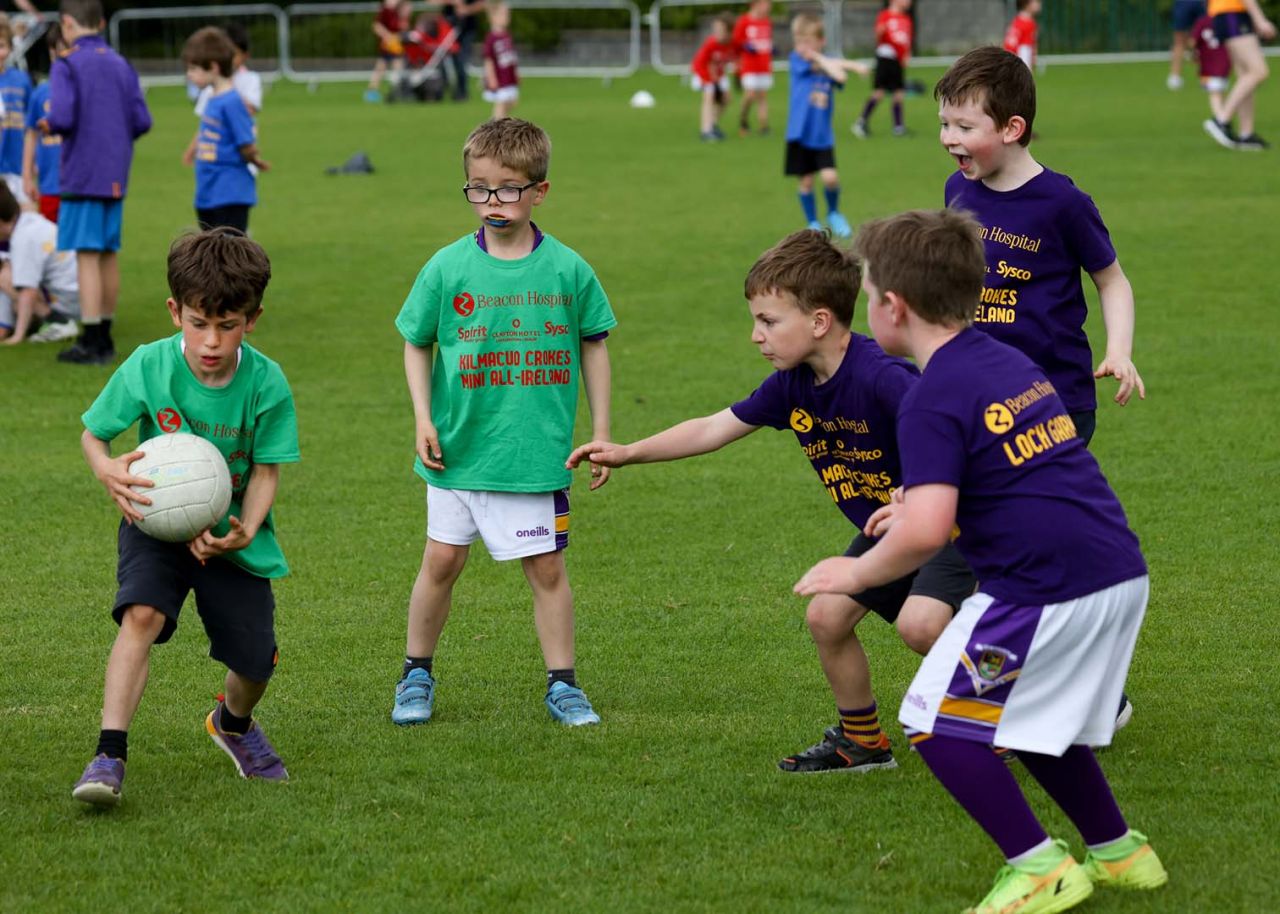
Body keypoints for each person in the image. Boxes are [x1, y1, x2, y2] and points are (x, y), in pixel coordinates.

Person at [795, 208, 1166, 914]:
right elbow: (1008, 468)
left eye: (870, 294)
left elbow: (932, 529)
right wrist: (914, 500)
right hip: (1113, 568)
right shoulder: (1002, 358)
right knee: (1029, 718)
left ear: (893, 308)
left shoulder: (930, 396)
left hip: (1046, 587)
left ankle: (1039, 870)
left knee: (937, 721)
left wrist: (858, 572)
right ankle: (1121, 852)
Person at [568, 229, 975, 774]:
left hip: (952, 524)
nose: (756, 335)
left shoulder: (884, 378)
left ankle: (1040, 695)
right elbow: (714, 427)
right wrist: (628, 452)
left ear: (819, 321)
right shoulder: (793, 383)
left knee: (921, 627)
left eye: (768, 321)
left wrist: (915, 494)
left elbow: (957, 439)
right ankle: (863, 743)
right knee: (828, 616)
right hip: (893, 529)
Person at [391, 117, 616, 728]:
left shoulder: (569, 269)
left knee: (546, 568)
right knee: (440, 562)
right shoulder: (446, 268)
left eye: (508, 188)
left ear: (539, 191)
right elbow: (417, 340)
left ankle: (563, 684)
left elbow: (594, 343)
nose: (493, 202)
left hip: (534, 453)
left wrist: (600, 431)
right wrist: (421, 418)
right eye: (480, 188)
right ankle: (415, 673)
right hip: (457, 450)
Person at [70, 228, 300, 807]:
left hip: (231, 535)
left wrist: (243, 527)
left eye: (229, 325)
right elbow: (94, 435)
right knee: (141, 615)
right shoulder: (148, 366)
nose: (212, 341)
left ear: (254, 318)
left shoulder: (267, 382)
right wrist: (105, 470)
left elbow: (268, 471)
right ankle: (109, 753)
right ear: (176, 312)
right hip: (154, 522)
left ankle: (233, 724)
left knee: (254, 661)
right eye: (200, 323)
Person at [937, 47, 1144, 450]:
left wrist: (1119, 351)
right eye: (944, 124)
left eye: (963, 127)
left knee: (1037, 509)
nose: (948, 139)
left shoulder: (1064, 203)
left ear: (1012, 128)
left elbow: (1112, 281)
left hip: (1054, 396)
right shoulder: (957, 189)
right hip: (980, 387)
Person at [43, 0, 152, 365]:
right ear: (102, 23)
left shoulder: (67, 64)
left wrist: (47, 126)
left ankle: (92, 340)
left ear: (67, 24)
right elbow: (141, 120)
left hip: (82, 172)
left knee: (86, 255)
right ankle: (104, 330)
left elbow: (60, 115)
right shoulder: (121, 63)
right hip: (116, 172)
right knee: (107, 253)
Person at [784, 13, 866, 238]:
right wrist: (831, 60)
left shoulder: (825, 68)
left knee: (830, 178)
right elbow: (831, 65)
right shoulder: (796, 61)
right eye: (800, 42)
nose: (803, 48)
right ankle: (812, 221)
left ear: (821, 42)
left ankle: (834, 212)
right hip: (800, 135)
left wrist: (845, 66)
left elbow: (840, 77)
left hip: (821, 136)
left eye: (808, 42)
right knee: (807, 182)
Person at [181, 27, 269, 234]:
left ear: (213, 67)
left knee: (230, 258)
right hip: (208, 192)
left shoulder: (232, 102)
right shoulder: (211, 98)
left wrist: (255, 160)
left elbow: (245, 141)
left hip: (229, 193)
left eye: (193, 69)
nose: (189, 75)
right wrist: (192, 151)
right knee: (209, 255)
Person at [0, 180, 77, 343]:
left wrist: (17, 337)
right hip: (77, 293)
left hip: (68, 302)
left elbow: (28, 290)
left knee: (5, 277)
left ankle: (59, 322)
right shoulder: (27, 221)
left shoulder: (23, 240)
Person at [1201, 0, 1275, 150]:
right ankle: (1221, 121)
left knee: (1246, 75)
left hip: (1229, 14)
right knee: (1258, 71)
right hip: (1231, 13)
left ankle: (1246, 134)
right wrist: (1259, 20)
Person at [22, 22, 66, 224]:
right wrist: (27, 176)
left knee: (79, 250)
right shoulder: (40, 92)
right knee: (50, 245)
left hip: (79, 187)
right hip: (49, 185)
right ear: (51, 53)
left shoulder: (86, 92)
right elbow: (31, 134)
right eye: (59, 51)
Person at [852, 0, 912, 139]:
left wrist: (906, 54)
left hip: (897, 60)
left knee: (899, 93)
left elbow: (907, 39)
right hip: (886, 58)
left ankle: (898, 127)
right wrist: (881, 33)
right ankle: (860, 122)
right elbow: (879, 34)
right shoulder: (885, 15)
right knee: (879, 92)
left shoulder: (906, 18)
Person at [0, 13, 34, 202]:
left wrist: (34, 161)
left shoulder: (22, 80)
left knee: (22, 219)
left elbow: (33, 124)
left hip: (18, 165)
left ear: (10, 47)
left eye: (2, 46)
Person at [690, 14, 734, 141]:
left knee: (726, 99)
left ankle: (712, 124)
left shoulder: (731, 43)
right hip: (702, 72)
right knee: (708, 96)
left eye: (721, 30)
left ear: (729, 31)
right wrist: (709, 81)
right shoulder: (710, 44)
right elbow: (700, 63)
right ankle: (705, 131)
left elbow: (730, 58)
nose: (717, 33)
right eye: (716, 30)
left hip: (718, 75)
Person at [732, 0, 773, 136]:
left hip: (764, 65)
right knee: (750, 95)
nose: (768, 7)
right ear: (755, 4)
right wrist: (745, 46)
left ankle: (764, 126)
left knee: (762, 96)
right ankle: (743, 120)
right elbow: (736, 41)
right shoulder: (744, 21)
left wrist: (771, 49)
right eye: (766, 4)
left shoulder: (766, 21)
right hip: (749, 65)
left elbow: (767, 41)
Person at [366, 0, 411, 103]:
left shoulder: (400, 10)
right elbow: (376, 26)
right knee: (380, 68)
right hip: (387, 45)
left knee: (398, 68)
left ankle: (396, 91)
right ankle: (372, 92)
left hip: (397, 45)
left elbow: (403, 27)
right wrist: (388, 36)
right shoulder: (385, 11)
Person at [442, 0, 486, 101]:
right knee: (443, 62)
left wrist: (467, 10)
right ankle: (444, 91)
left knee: (461, 61)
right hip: (447, 29)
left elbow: (483, 3)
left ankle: (462, 92)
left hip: (467, 30)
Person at [1193, 11, 1232, 124]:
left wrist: (1194, 54)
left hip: (1207, 67)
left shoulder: (1202, 22)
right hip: (1224, 65)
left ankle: (1221, 120)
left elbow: (1193, 42)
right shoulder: (1226, 20)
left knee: (1214, 93)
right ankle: (1223, 118)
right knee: (1220, 92)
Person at [482, 1, 518, 119]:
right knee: (500, 103)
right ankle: (495, 126)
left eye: (507, 14)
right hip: (499, 77)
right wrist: (491, 78)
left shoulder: (507, 35)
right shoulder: (491, 38)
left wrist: (516, 73)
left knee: (512, 101)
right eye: (503, 14)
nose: (507, 17)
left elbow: (512, 57)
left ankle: (499, 122)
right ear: (493, 17)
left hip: (508, 76)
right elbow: (488, 60)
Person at [1168, 1, 1207, 88]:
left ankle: (1206, 77)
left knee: (1205, 40)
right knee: (1179, 39)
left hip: (1202, 2)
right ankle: (1175, 77)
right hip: (1183, 3)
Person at [1003, 0, 1041, 71]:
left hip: (1025, 53)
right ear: (1027, 4)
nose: (1038, 4)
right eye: (1035, 2)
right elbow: (1011, 43)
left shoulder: (1028, 22)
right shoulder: (1023, 22)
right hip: (1021, 54)